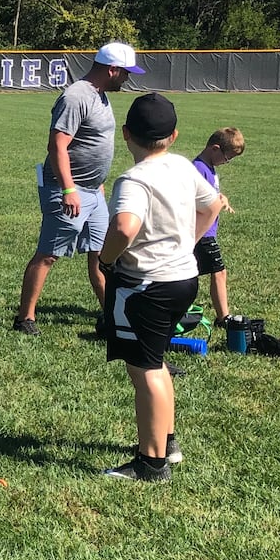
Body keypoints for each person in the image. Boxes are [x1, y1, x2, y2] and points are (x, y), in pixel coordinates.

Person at [98, 93, 221, 482]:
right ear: (174, 135)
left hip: (146, 287)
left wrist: (106, 259)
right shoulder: (184, 166)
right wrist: (189, 242)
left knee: (145, 370)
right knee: (157, 362)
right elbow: (214, 202)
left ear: (127, 134)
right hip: (184, 280)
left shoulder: (134, 179)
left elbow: (124, 227)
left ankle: (151, 464)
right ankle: (166, 442)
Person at [14, 41, 145, 336]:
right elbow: (57, 145)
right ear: (112, 70)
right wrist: (68, 190)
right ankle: (25, 318)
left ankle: (112, 317)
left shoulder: (100, 96)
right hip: (68, 189)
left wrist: (96, 184)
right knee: (48, 254)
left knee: (102, 257)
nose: (127, 79)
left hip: (93, 190)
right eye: (125, 73)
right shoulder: (76, 97)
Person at [192, 127, 245, 322]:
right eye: (227, 157)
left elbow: (210, 195)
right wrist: (216, 202)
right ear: (215, 148)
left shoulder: (209, 168)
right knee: (219, 271)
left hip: (207, 231)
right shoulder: (198, 169)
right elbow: (193, 201)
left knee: (192, 273)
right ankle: (223, 317)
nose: (227, 162)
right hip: (201, 232)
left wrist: (222, 198)